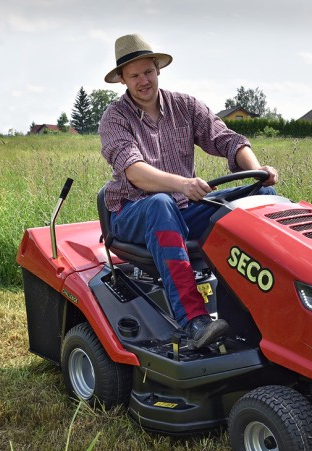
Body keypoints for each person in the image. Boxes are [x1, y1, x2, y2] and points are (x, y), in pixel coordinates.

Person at [99, 34, 278, 349]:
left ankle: (265, 308)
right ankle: (194, 321)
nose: (143, 80)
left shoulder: (186, 106)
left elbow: (227, 140)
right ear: (123, 80)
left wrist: (259, 171)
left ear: (158, 69)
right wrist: (182, 184)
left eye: (148, 72)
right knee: (159, 204)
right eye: (134, 75)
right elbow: (134, 172)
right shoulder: (115, 118)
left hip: (182, 208)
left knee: (261, 199)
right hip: (132, 212)